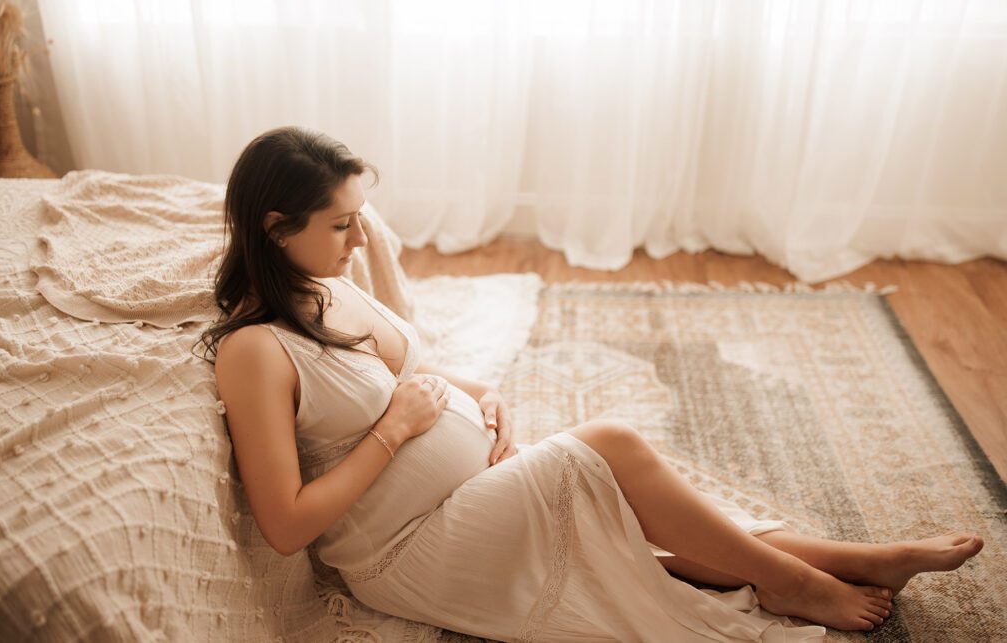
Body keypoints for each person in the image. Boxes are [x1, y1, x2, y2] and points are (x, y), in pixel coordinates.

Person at [201, 126, 984, 642]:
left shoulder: (326, 284)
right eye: (342, 224)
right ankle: (793, 584)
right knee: (605, 448)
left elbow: (394, 374)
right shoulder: (255, 351)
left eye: (360, 217)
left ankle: (858, 556)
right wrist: (396, 430)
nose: (362, 237)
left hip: (466, 488)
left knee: (635, 515)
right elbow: (287, 523)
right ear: (275, 228)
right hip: (412, 548)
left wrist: (474, 392)